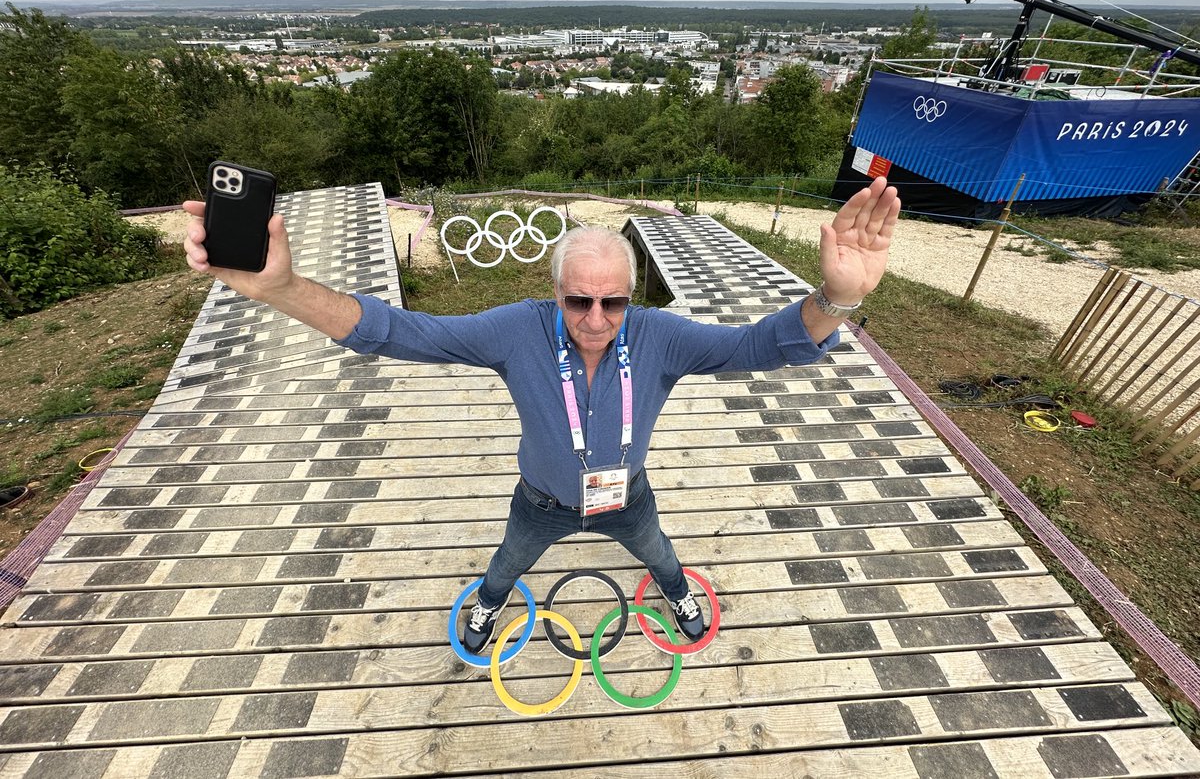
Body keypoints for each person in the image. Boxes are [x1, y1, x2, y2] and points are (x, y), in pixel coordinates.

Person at [182, 176, 900, 654]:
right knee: (508, 563)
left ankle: (677, 597)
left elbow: (755, 345)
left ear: (630, 295)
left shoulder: (661, 335)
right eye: (578, 300)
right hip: (544, 499)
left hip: (627, 497)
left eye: (612, 301)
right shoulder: (517, 329)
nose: (595, 318)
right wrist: (279, 289)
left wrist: (834, 301)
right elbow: (400, 332)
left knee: (659, 556)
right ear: (553, 293)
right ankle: (490, 606)